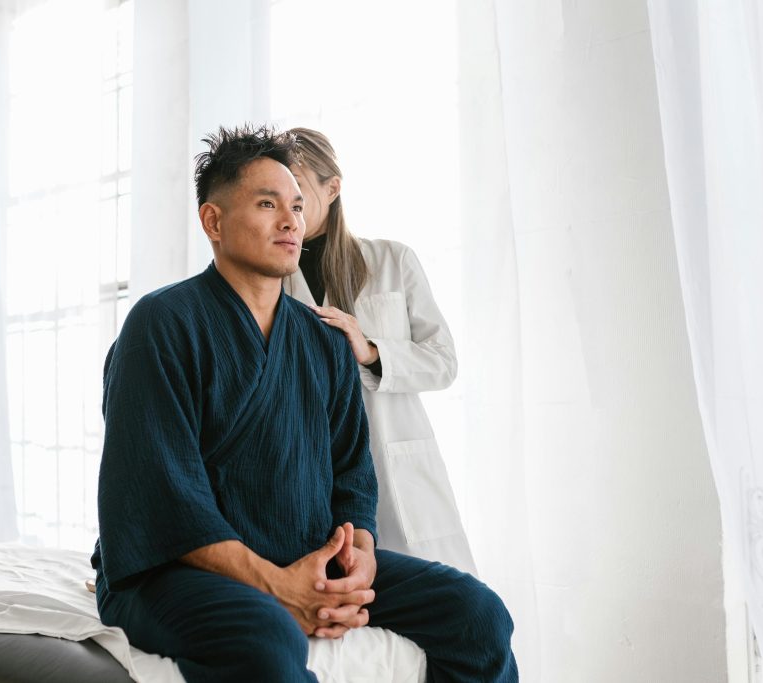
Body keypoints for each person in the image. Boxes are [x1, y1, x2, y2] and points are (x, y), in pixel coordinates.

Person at [92, 124, 516, 682]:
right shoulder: (162, 324)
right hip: (172, 569)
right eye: (268, 204)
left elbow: (353, 475)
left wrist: (359, 558)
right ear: (213, 222)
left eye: (296, 205)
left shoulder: (323, 340)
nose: (292, 220)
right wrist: (277, 586)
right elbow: (165, 496)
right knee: (268, 639)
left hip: (305, 552)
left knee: (478, 616)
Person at [284, 127, 476, 574]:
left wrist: (371, 351)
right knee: (343, 592)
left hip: (395, 463)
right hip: (314, 469)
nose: (288, 206)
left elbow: (443, 361)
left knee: (440, 593)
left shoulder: (393, 261)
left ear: (332, 188)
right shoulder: (270, 278)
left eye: (298, 189)